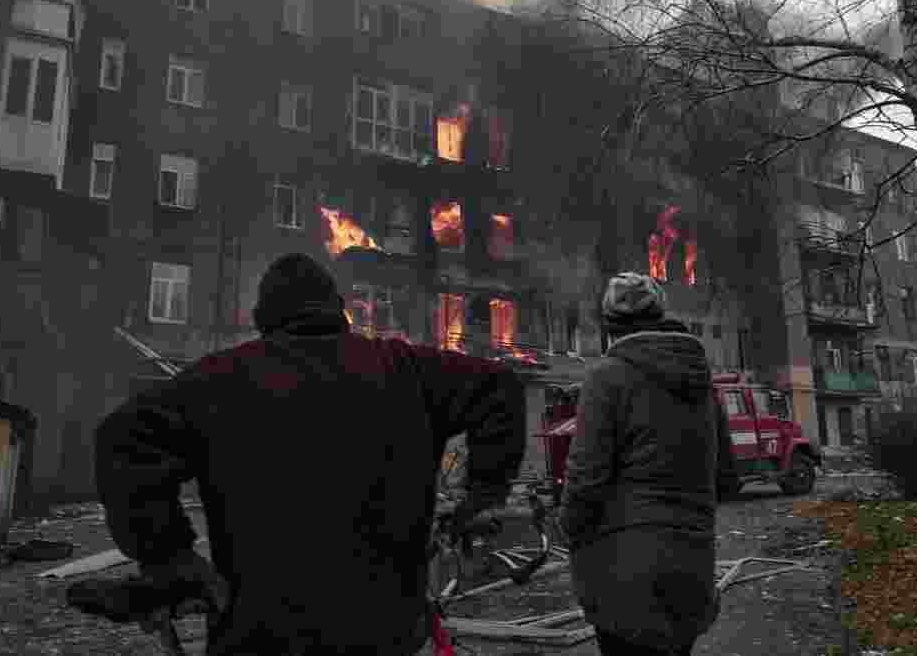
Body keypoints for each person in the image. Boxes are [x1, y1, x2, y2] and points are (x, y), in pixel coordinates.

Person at [95, 253, 528, 655]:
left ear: (262, 318)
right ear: (338, 311)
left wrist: (168, 553)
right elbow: (500, 387)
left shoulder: (220, 380)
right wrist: (483, 496)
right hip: (385, 630)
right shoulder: (405, 368)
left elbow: (123, 436)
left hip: (261, 634)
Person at [558, 272, 739, 656]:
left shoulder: (606, 377)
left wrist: (568, 529)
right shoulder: (701, 378)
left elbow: (586, 478)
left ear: (610, 325)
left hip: (627, 578)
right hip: (692, 570)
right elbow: (726, 476)